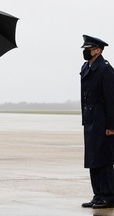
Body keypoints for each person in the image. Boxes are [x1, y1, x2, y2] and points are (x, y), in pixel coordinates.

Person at [80, 35, 114, 209]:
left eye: (90, 49)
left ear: (98, 50)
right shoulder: (86, 67)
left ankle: (108, 196)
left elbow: (111, 99)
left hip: (102, 120)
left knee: (104, 159)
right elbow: (84, 97)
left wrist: (111, 125)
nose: (86, 52)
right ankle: (98, 194)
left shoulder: (105, 69)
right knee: (93, 159)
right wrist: (84, 119)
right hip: (90, 119)